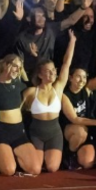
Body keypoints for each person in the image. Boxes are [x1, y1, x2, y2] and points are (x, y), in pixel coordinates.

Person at [23, 31, 79, 173]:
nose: (52, 73)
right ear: (40, 75)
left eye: (53, 70)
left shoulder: (58, 88)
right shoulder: (31, 92)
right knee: (35, 169)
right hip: (36, 133)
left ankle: (62, 155)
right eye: (48, 71)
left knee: (52, 168)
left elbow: (66, 63)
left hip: (54, 133)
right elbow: (17, 112)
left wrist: (72, 42)